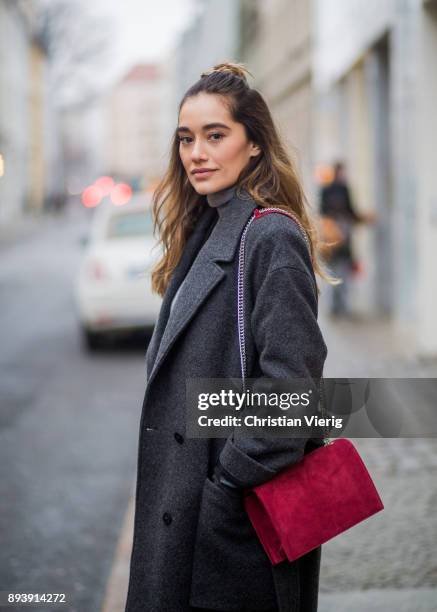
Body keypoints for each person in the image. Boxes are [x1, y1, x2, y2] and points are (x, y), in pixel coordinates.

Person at [125, 62, 334, 612]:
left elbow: (293, 395)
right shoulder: (208, 228)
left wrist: (226, 487)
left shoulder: (269, 236)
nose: (197, 153)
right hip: (193, 515)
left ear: (255, 145)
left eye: (216, 136)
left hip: (229, 526)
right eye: (186, 139)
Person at [319, 162, 376, 317]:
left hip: (333, 237)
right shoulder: (340, 189)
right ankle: (340, 307)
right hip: (339, 235)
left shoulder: (327, 189)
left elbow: (323, 212)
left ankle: (336, 307)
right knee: (340, 270)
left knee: (335, 270)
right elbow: (350, 212)